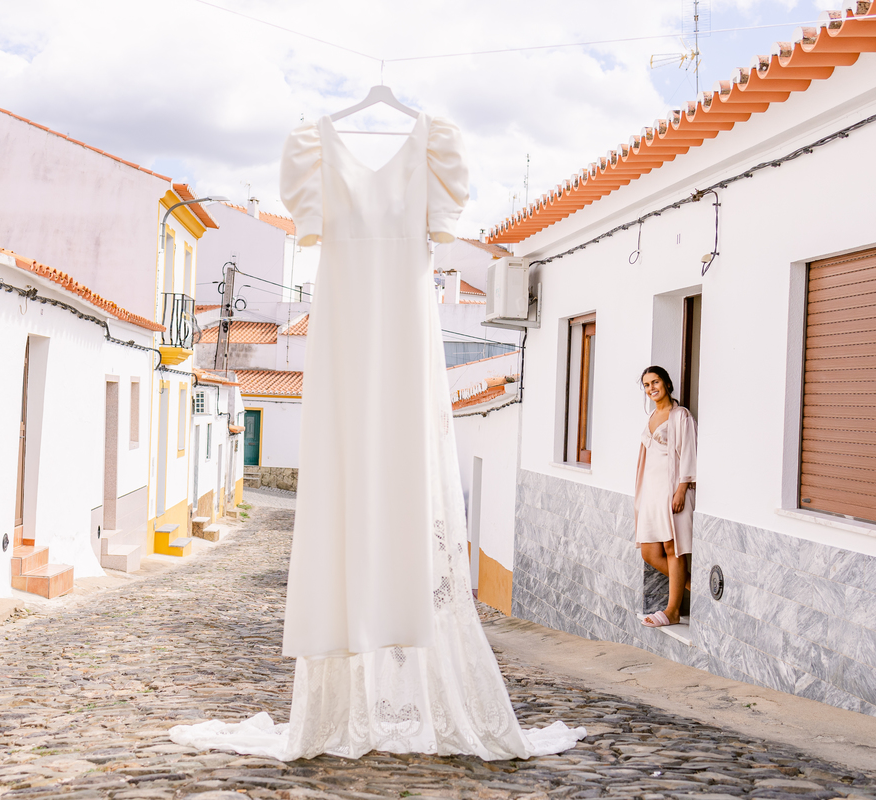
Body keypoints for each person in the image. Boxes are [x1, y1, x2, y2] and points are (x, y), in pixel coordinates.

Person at [167, 110, 585, 760]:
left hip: (402, 340)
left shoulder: (431, 149)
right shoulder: (315, 152)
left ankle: (385, 662)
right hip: (345, 339)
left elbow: (437, 224)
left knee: (401, 480)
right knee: (346, 480)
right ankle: (343, 695)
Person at [635, 366, 697, 627]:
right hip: (650, 492)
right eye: (647, 385)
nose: (651, 388)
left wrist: (682, 488)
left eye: (655, 382)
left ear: (667, 383)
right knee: (649, 553)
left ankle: (673, 610)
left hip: (671, 489)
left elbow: (689, 451)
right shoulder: (651, 416)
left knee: (674, 548)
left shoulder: (680, 415)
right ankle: (695, 586)